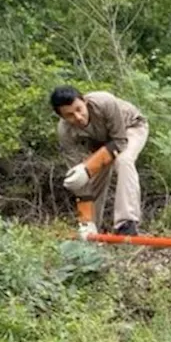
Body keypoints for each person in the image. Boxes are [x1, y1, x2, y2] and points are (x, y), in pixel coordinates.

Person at [51, 86, 149, 237]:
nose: (77, 117)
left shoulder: (104, 101)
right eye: (69, 115)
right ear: (62, 117)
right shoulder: (65, 132)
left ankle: (126, 223)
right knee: (86, 178)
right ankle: (91, 231)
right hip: (101, 142)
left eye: (79, 109)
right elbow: (79, 182)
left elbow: (120, 142)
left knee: (123, 161)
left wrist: (88, 167)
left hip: (130, 128)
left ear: (85, 101)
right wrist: (86, 219)